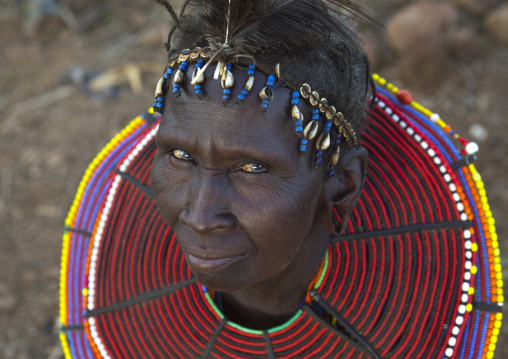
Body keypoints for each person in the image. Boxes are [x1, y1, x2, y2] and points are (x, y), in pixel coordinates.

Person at [59, 1, 503, 358]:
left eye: (251, 168)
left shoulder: (416, 325)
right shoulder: (135, 328)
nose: (199, 216)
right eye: (181, 155)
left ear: (342, 185)